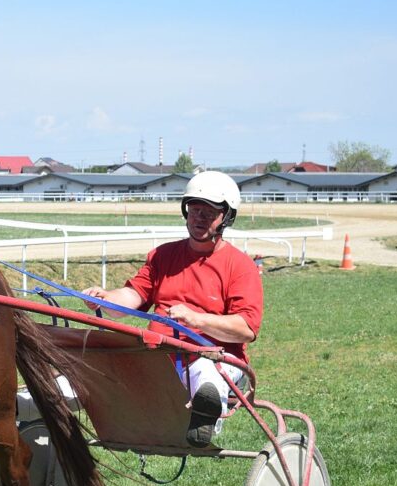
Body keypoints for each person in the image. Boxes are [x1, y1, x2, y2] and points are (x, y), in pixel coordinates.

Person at [83, 170, 263, 447]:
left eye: (209, 212)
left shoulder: (240, 266)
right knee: (96, 368)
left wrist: (196, 319)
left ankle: (206, 418)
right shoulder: (163, 255)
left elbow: (246, 329)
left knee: (205, 371)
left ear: (226, 217)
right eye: (194, 210)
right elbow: (132, 296)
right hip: (158, 359)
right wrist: (106, 298)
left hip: (216, 360)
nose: (199, 218)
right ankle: (32, 405)